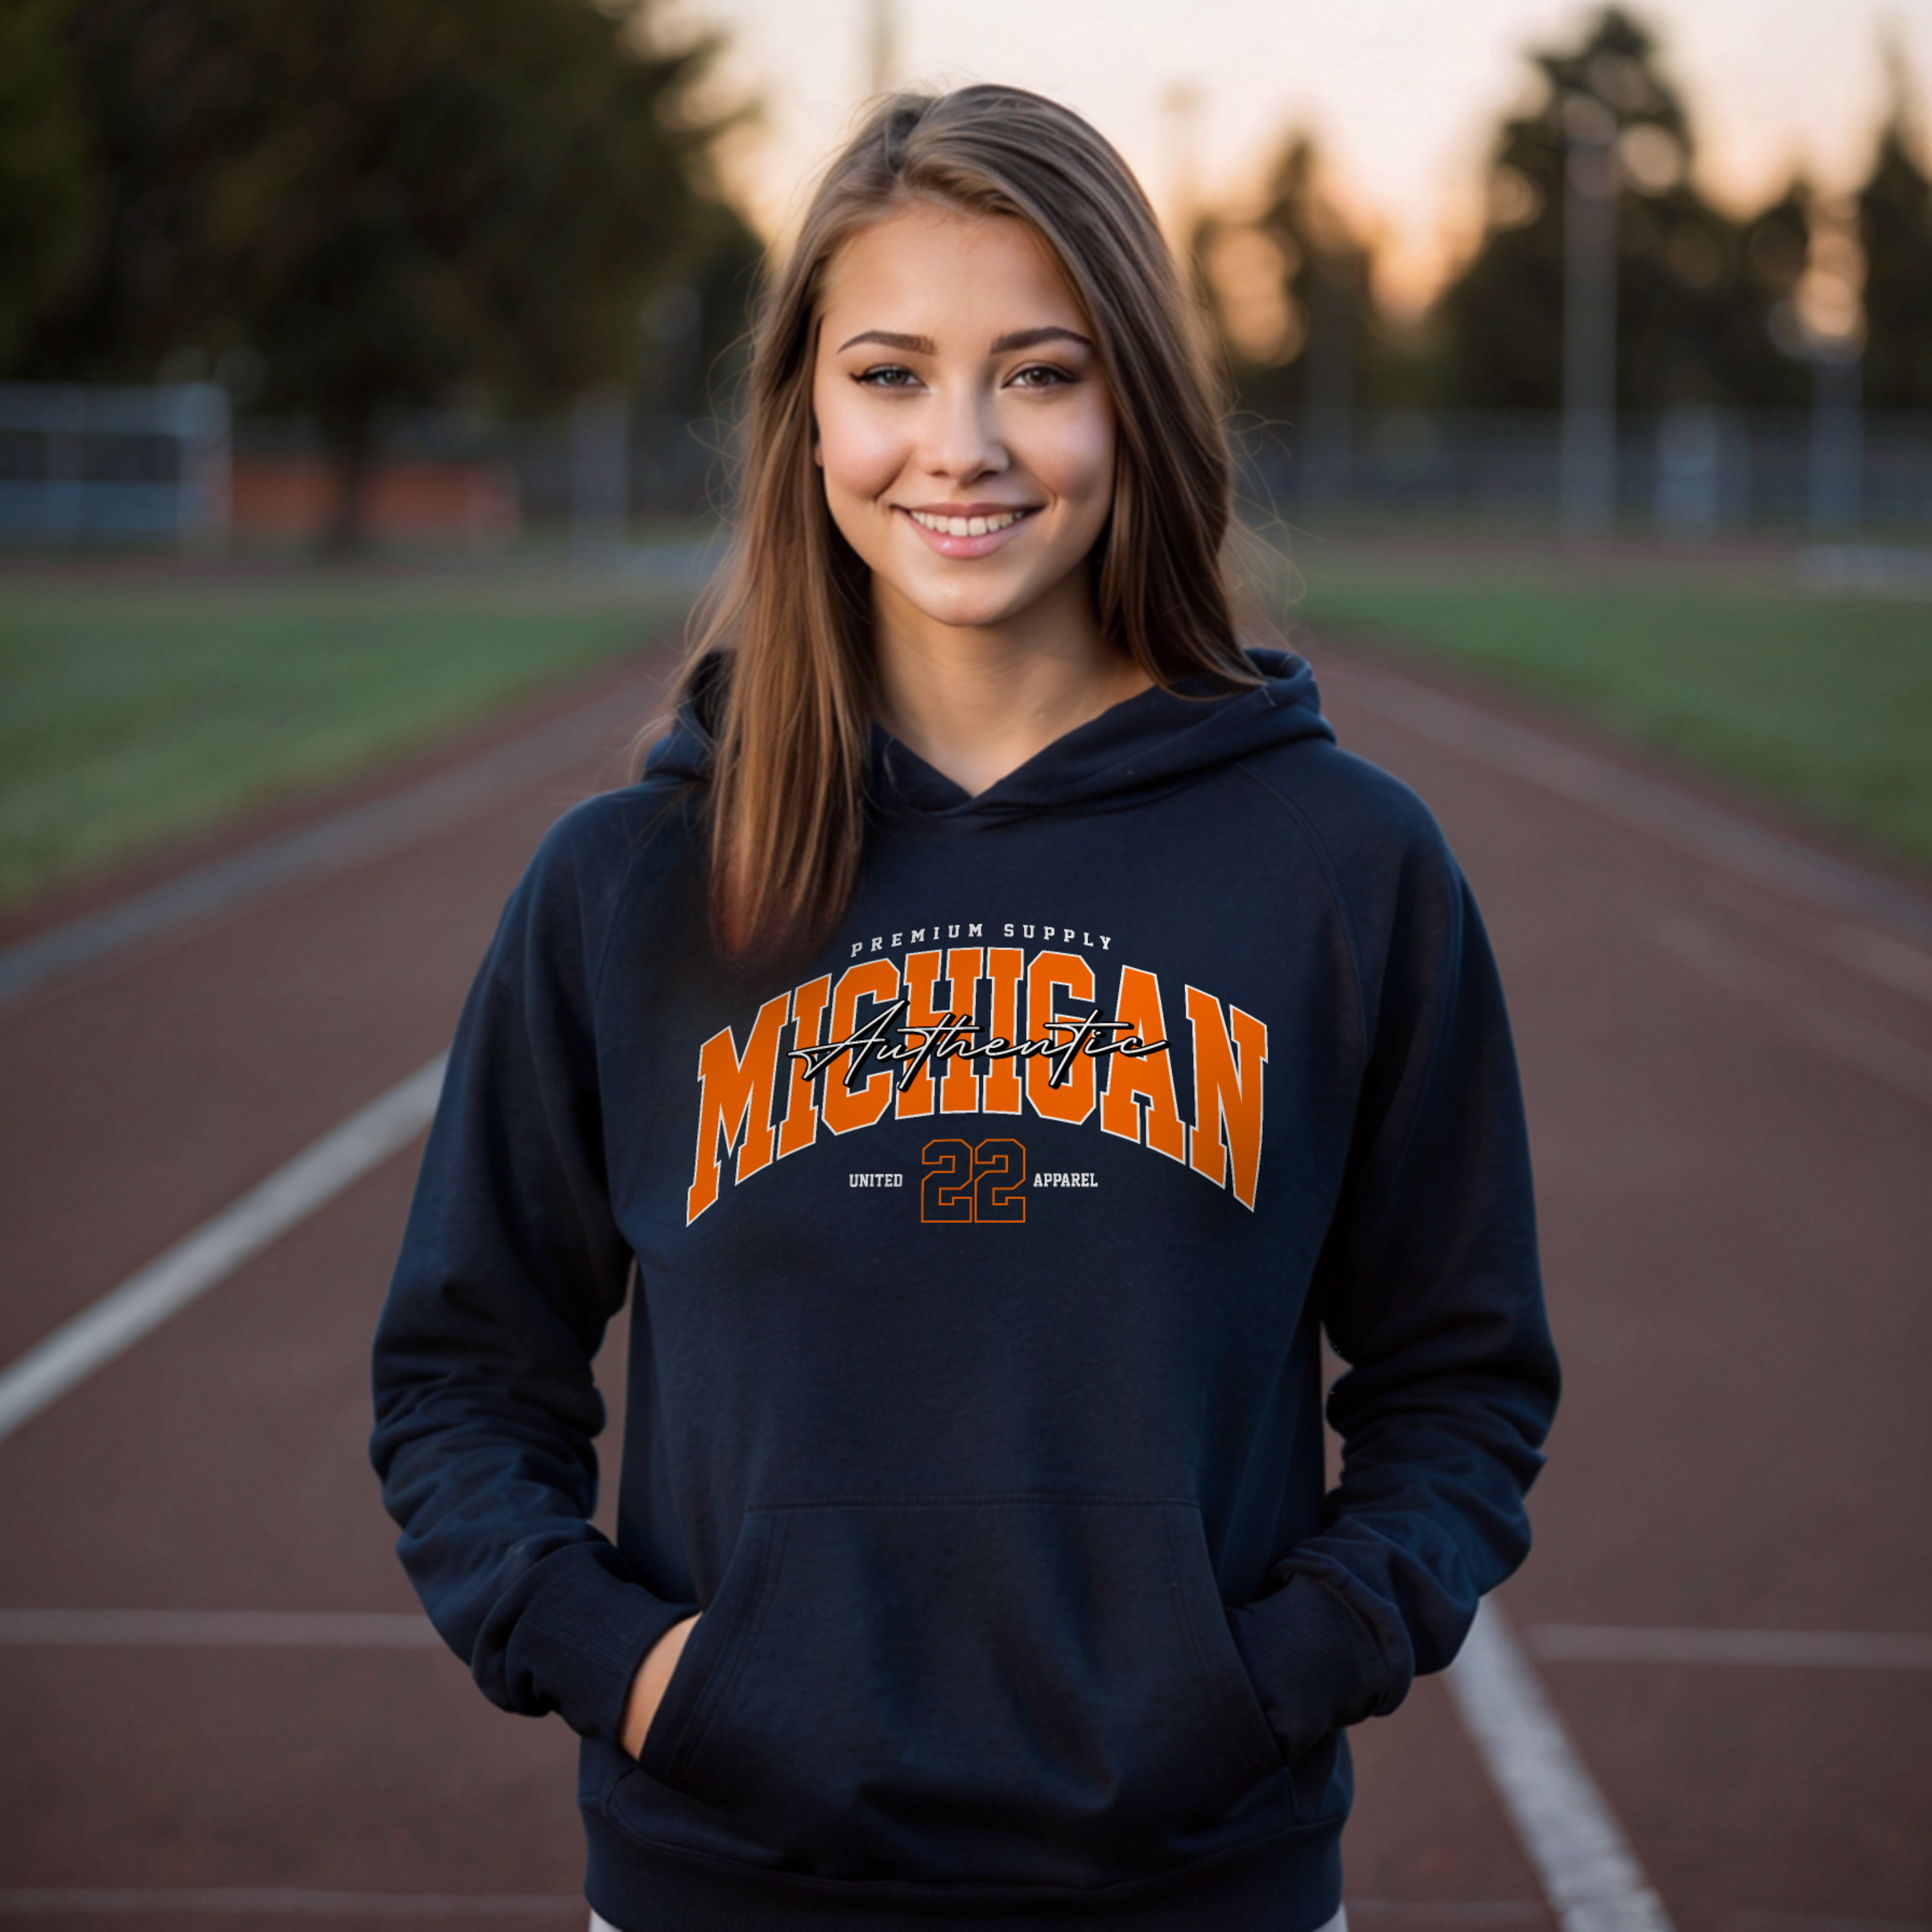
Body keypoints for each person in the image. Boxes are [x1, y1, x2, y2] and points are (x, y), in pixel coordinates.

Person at [369, 84, 1559, 1932]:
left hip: (1196, 1884)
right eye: (892, 372)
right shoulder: (630, 884)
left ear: (1135, 403)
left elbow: (1462, 1380)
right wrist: (645, 1675)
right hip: (723, 1881)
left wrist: (1260, 1687)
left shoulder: (1342, 865)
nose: (963, 446)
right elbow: (463, 1374)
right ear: (808, 414)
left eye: (1038, 371)